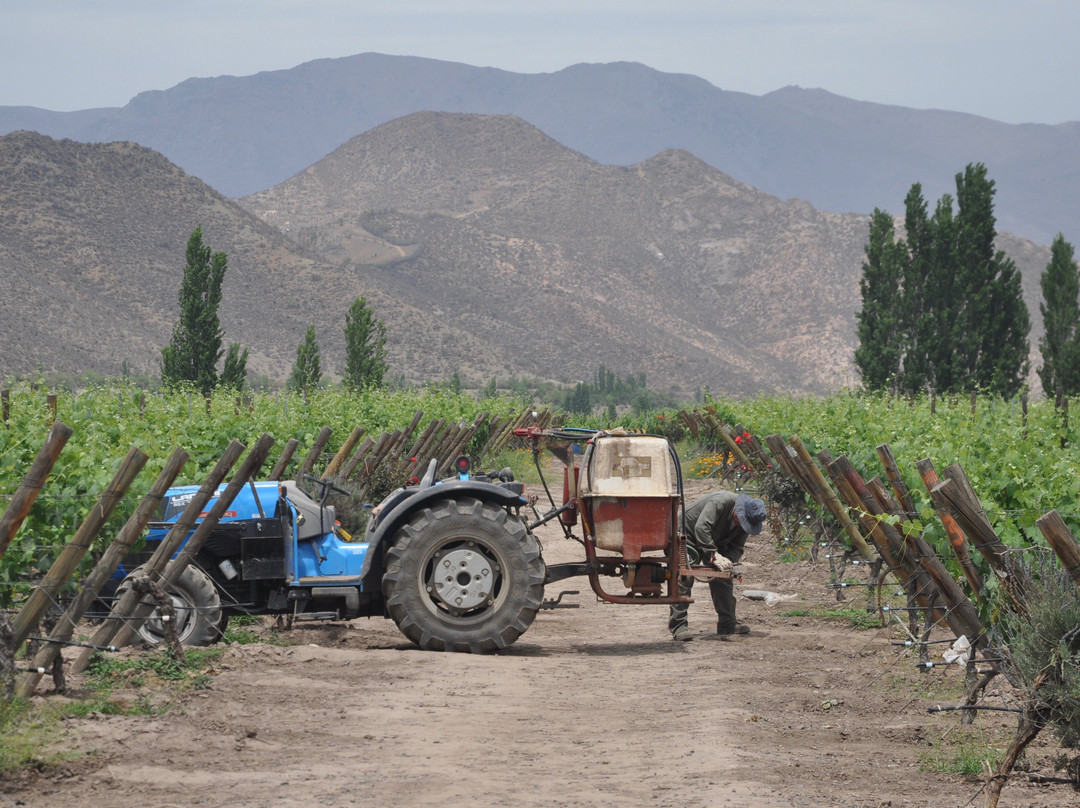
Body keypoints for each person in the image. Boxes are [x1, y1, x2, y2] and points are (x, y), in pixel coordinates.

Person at [669, 491, 766, 641]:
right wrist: (713, 554)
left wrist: (727, 562)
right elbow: (701, 528)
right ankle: (679, 626)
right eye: (742, 521)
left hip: (714, 542)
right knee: (684, 576)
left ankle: (727, 624)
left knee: (723, 578)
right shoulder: (720, 503)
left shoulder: (746, 524)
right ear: (738, 511)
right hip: (687, 537)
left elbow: (737, 547)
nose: (742, 525)